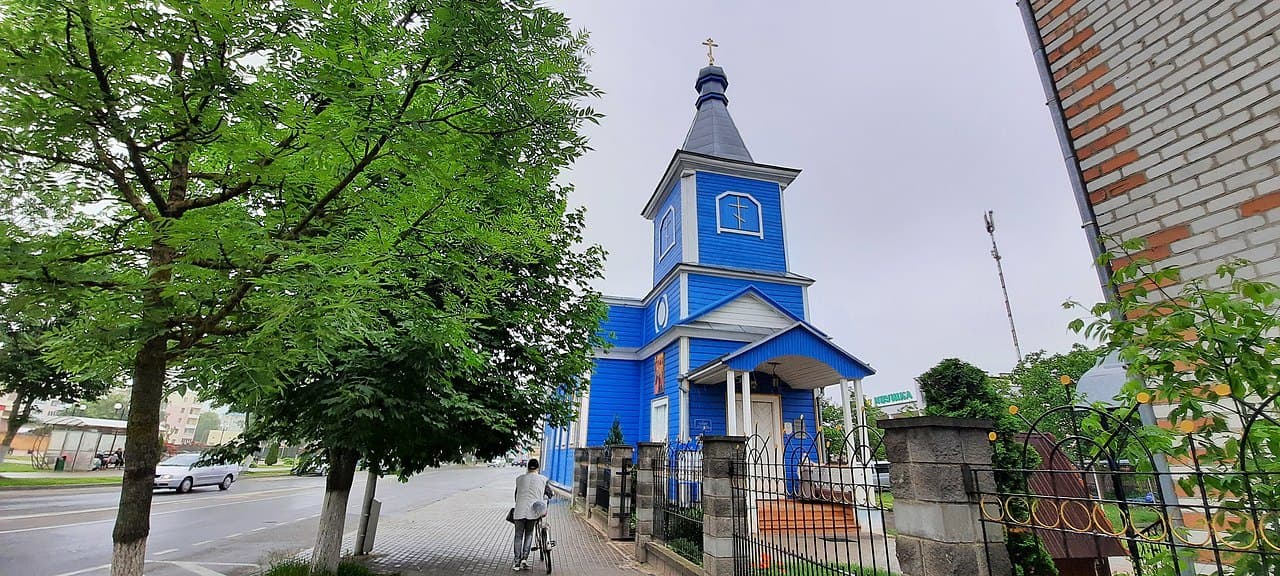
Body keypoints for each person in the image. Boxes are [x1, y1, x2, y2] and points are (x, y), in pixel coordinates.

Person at [512, 458, 553, 571]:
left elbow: (516, 496)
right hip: (533, 512)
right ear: (538, 467)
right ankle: (525, 559)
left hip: (519, 511)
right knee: (529, 534)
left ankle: (516, 563)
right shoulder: (543, 479)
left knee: (518, 536)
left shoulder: (519, 479)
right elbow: (549, 493)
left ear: (528, 467)